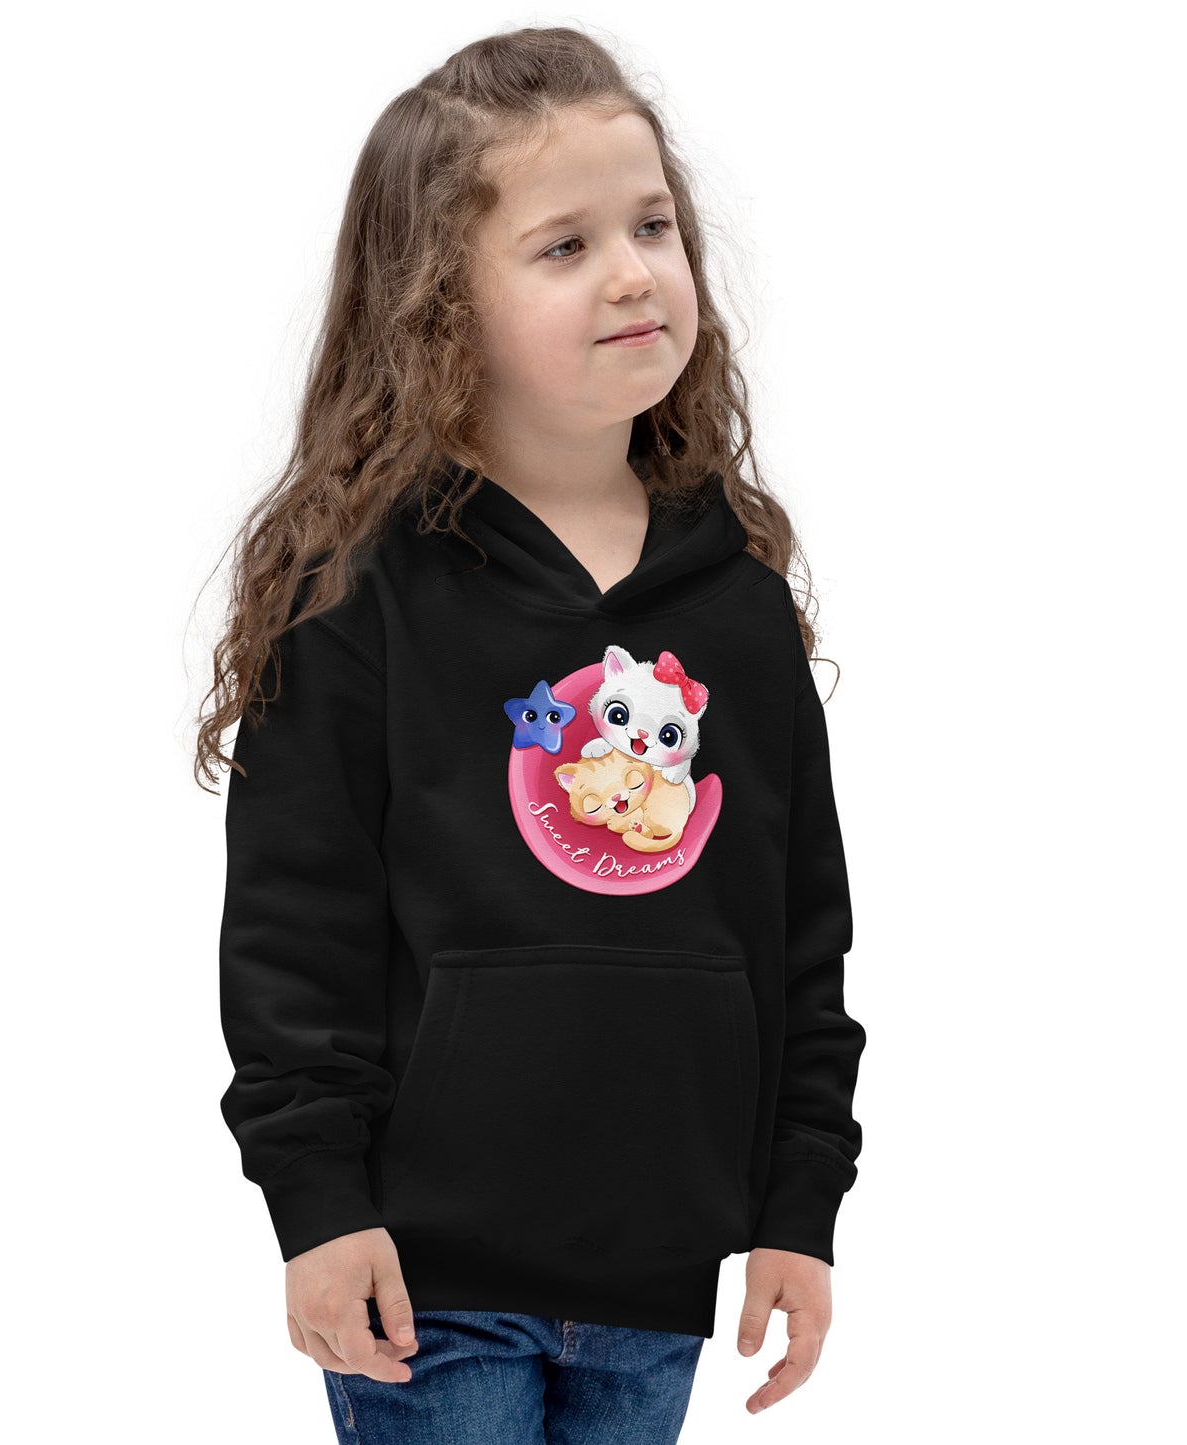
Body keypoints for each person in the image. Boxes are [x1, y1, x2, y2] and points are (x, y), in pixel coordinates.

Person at [195, 24, 867, 1442]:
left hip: (661, 1272)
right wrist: (316, 1204)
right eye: (564, 246)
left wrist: (798, 1205)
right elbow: (296, 927)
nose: (633, 271)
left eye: (652, 226)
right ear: (438, 303)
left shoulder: (739, 604)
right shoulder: (361, 591)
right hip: (421, 1279)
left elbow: (801, 932)